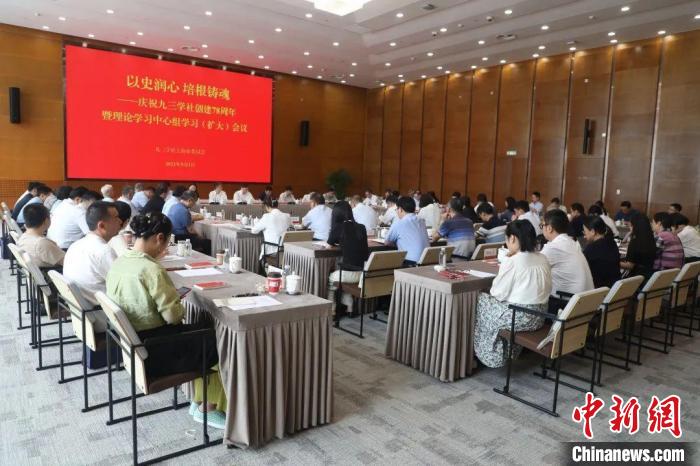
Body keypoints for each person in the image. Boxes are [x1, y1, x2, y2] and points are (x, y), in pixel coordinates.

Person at [106, 212, 226, 429]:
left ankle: (199, 400)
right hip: (156, 350)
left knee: (202, 332)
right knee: (219, 341)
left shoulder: (120, 261)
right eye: (167, 242)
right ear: (159, 238)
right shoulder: (151, 269)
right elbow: (173, 317)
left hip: (134, 346)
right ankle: (209, 408)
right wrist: (177, 302)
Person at [474, 220, 551, 368]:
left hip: (520, 317)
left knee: (482, 299)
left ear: (513, 238)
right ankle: (509, 352)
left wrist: (508, 260)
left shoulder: (513, 261)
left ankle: (490, 355)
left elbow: (497, 293)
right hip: (540, 316)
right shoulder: (543, 258)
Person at [63, 201, 121, 309]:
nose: (120, 221)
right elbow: (124, 286)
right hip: (102, 312)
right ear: (102, 225)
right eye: (116, 218)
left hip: (80, 311)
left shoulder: (75, 245)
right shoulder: (104, 251)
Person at [541, 210, 594, 303]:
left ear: (549, 228)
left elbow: (532, 267)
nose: (541, 229)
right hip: (587, 301)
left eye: (542, 226)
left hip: (568, 303)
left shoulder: (553, 247)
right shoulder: (572, 242)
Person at [327, 201, 369, 312]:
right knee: (344, 275)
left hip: (348, 274)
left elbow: (328, 246)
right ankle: (349, 305)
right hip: (362, 274)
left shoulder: (338, 227)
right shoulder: (362, 227)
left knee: (331, 279)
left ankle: (332, 309)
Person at [17, 203, 65, 268]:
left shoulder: (23, 237)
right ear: (46, 221)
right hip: (57, 271)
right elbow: (68, 262)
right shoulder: (42, 244)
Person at [385, 196, 429, 266]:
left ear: (400, 209)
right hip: (428, 261)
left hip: (411, 263)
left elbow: (387, 242)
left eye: (397, 209)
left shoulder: (398, 223)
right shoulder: (421, 221)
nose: (397, 211)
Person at [582, 216, 621, 288]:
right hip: (615, 287)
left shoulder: (591, 249)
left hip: (599, 289)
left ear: (593, 232)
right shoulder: (612, 243)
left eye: (585, 232)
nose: (584, 236)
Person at [168, 191, 211, 255]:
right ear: (189, 200)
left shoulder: (173, 207)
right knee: (207, 242)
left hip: (172, 236)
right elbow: (191, 230)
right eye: (194, 202)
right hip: (182, 237)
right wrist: (200, 236)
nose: (194, 205)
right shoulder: (184, 211)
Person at [620, 213, 657, 280]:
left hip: (635, 278)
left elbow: (629, 266)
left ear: (635, 226)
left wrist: (614, 262)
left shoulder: (635, 242)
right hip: (648, 276)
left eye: (631, 225)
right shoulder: (651, 239)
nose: (630, 227)